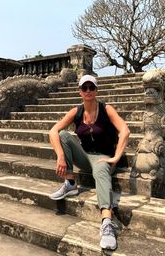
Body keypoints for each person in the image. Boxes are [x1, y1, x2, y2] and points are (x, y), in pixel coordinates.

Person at [48, 74, 130, 251]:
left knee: (100, 169)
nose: (88, 91)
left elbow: (125, 130)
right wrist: (61, 156)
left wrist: (115, 157)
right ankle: (70, 183)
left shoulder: (106, 109)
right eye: (84, 88)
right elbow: (53, 131)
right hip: (85, 156)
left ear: (96, 90)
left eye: (91, 87)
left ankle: (107, 222)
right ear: (80, 92)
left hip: (104, 157)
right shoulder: (76, 112)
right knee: (63, 136)